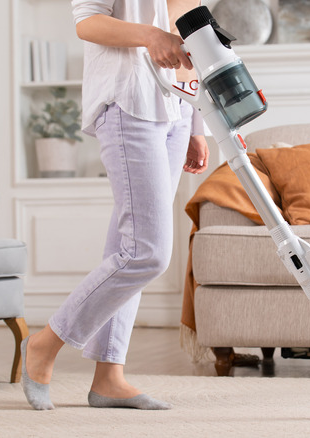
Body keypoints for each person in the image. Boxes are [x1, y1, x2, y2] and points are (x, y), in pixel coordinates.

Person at [20, 0, 207, 411]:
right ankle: (43, 344)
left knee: (128, 245)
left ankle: (109, 376)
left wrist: (196, 121)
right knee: (147, 252)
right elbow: (87, 22)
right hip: (128, 103)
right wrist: (149, 36)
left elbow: (189, 30)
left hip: (175, 111)